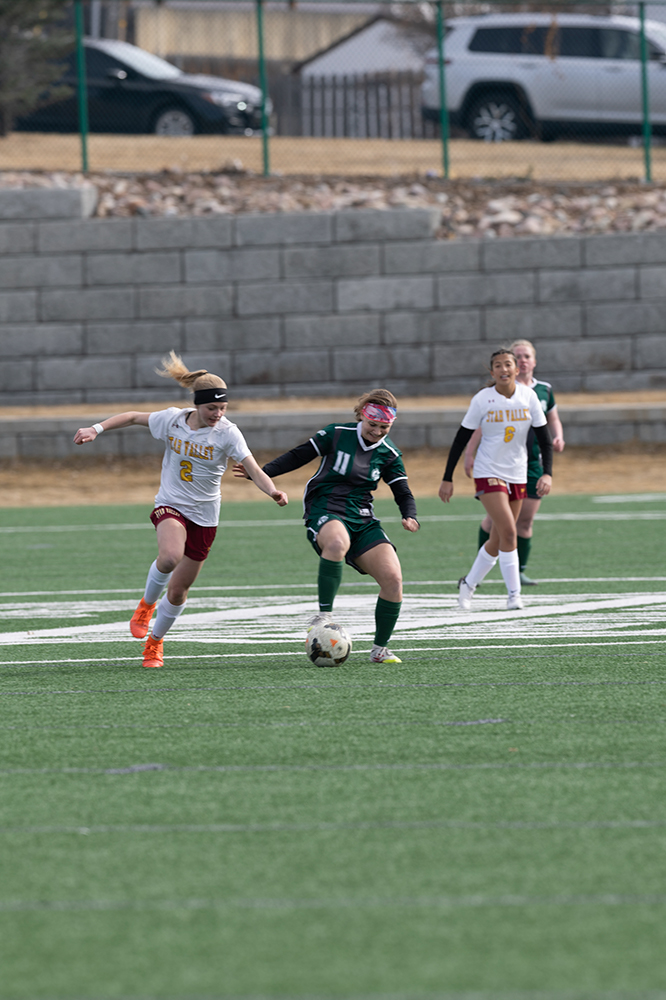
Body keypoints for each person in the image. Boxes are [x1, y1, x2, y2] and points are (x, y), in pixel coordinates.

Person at [73, 351, 288, 669]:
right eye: (211, 408)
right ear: (197, 405)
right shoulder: (172, 420)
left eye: (223, 408)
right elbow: (132, 417)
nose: (217, 413)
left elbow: (254, 468)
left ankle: (154, 644)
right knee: (170, 557)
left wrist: (273, 491)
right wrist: (96, 429)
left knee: (178, 591)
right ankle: (146, 606)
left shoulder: (228, 432)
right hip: (171, 504)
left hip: (205, 515)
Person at [234, 389, 420, 664]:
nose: (378, 431)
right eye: (373, 424)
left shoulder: (389, 453)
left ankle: (379, 649)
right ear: (361, 416)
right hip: (325, 507)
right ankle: (323, 616)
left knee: (393, 579)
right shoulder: (337, 433)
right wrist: (261, 473)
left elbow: (402, 491)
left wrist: (409, 515)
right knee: (336, 542)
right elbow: (298, 455)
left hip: (362, 518)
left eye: (385, 427)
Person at [439, 347, 553, 612]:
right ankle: (514, 595)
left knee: (498, 539)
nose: (504, 369)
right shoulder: (482, 399)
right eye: (498, 365)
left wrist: (547, 472)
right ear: (492, 372)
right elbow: (460, 439)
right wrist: (447, 477)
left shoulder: (529, 397)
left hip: (517, 472)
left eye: (508, 364)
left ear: (517, 369)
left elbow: (545, 439)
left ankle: (468, 584)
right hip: (488, 471)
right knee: (510, 531)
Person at [463, 339, 565, 585]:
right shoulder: (500, 391)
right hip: (498, 464)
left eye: (526, 356)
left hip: (531, 464)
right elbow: (480, 425)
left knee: (525, 520)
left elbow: (552, 419)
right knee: (496, 522)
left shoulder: (543, 390)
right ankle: (482, 572)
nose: (522, 360)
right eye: (517, 356)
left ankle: (519, 571)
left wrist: (558, 436)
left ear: (534, 361)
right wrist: (469, 452)